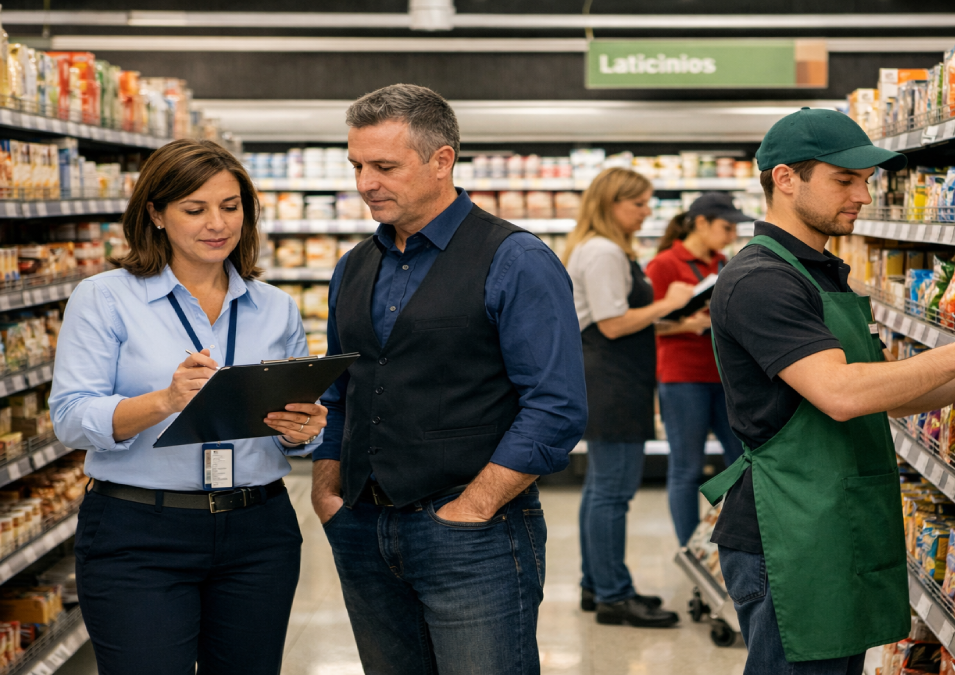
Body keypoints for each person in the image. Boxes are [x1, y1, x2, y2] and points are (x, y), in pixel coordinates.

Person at [700, 108, 955, 674]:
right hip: (790, 531)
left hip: (830, 517)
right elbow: (841, 392)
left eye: (865, 180)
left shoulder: (816, 271)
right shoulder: (761, 279)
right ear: (786, 179)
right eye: (844, 180)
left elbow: (891, 390)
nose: (863, 195)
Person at [310, 84, 587, 675]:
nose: (365, 183)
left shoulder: (515, 259)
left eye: (384, 166)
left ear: (442, 161)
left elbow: (555, 406)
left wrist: (473, 508)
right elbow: (340, 390)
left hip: (472, 536)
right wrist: (328, 491)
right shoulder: (354, 265)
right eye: (357, 165)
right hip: (361, 525)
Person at [48, 139, 327, 674]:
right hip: (140, 531)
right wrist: (165, 400)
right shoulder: (105, 297)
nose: (216, 224)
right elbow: (71, 418)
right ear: (155, 213)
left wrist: (301, 430)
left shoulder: (275, 307)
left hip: (258, 531)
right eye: (194, 210)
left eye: (230, 206)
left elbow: (287, 427)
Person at [564, 167, 692, 628]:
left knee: (600, 489)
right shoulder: (601, 251)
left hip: (609, 376)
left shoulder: (601, 249)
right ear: (611, 203)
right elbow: (614, 323)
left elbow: (615, 316)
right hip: (612, 381)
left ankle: (597, 584)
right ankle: (613, 597)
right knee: (612, 493)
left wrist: (678, 322)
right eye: (638, 203)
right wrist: (671, 302)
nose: (645, 212)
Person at [645, 192, 751, 546]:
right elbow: (651, 324)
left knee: (741, 460)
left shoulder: (723, 262)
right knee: (686, 469)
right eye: (725, 227)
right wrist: (687, 325)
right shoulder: (664, 264)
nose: (731, 236)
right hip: (682, 378)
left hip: (725, 378)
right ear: (701, 223)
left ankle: (735, 539)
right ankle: (690, 546)